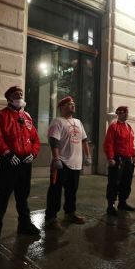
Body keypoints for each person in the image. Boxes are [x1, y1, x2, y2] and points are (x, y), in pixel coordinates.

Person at [0, 86, 41, 244]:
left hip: (25, 163)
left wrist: (33, 153)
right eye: (15, 94)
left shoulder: (27, 117)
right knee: (3, 196)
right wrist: (7, 154)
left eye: (21, 93)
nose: (19, 95)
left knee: (22, 197)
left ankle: (24, 225)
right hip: (9, 163)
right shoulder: (0, 116)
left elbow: (35, 139)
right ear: (9, 98)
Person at [45, 96, 92, 229]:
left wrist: (88, 156)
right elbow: (53, 141)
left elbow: (84, 140)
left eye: (73, 103)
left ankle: (70, 213)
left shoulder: (78, 122)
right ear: (62, 107)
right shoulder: (57, 121)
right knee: (55, 191)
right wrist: (56, 158)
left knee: (72, 191)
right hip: (62, 163)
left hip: (76, 164)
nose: (73, 105)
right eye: (69, 104)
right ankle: (51, 217)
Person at [103, 106, 135, 216]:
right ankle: (111, 205)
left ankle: (122, 202)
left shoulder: (128, 127)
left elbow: (131, 143)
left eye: (127, 112)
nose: (126, 114)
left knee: (127, 181)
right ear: (119, 113)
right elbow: (108, 143)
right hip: (118, 158)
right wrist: (110, 158)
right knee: (114, 182)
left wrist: (134, 155)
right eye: (124, 112)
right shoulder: (114, 126)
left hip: (128, 159)